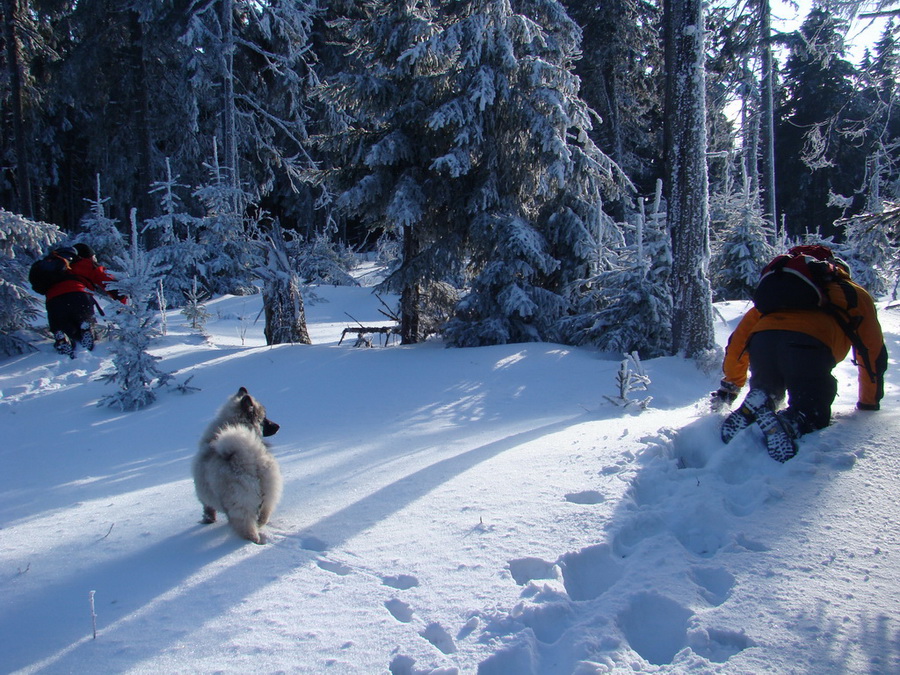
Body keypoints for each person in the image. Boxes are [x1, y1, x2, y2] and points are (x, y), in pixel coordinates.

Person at [712, 246, 888, 462]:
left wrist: (730, 385)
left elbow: (738, 342)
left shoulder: (776, 294)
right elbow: (872, 351)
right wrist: (869, 402)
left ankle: (761, 400)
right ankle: (793, 421)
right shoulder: (852, 293)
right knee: (812, 409)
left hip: (763, 344)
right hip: (808, 348)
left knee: (770, 394)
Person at [45, 243, 123, 357]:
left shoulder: (55, 267)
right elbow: (110, 284)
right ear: (88, 256)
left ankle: (60, 336)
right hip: (79, 296)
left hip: (53, 300)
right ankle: (85, 328)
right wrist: (124, 304)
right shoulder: (87, 264)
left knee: (61, 323)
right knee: (83, 319)